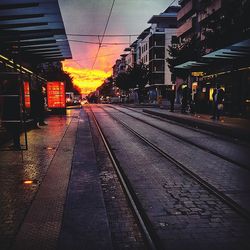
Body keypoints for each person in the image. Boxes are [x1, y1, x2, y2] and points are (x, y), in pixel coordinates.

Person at [1, 78, 22, 150]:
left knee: (13, 128)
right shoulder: (15, 92)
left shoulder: (7, 92)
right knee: (15, 129)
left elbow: (5, 104)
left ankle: (16, 145)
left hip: (10, 113)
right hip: (15, 113)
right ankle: (17, 143)